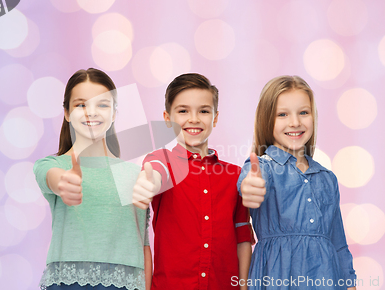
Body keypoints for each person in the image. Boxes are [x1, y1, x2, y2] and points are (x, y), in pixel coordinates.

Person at [132, 73, 255, 290]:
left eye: (204, 111)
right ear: (167, 118)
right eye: (183, 111)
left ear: (215, 118)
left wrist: (243, 287)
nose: (194, 119)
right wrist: (148, 184)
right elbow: (155, 173)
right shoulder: (162, 162)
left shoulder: (235, 175)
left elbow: (242, 237)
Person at [34, 68, 151, 290]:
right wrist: (62, 182)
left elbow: (143, 244)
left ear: (114, 112)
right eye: (81, 104)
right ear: (67, 113)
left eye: (102, 104)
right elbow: (50, 177)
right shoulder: (53, 165)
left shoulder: (135, 175)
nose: (91, 112)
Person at [238, 75, 357, 289]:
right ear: (267, 120)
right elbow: (248, 181)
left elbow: (339, 244)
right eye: (282, 114)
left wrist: (350, 284)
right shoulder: (263, 168)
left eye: (303, 112)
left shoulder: (327, 178)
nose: (295, 122)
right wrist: (249, 186)